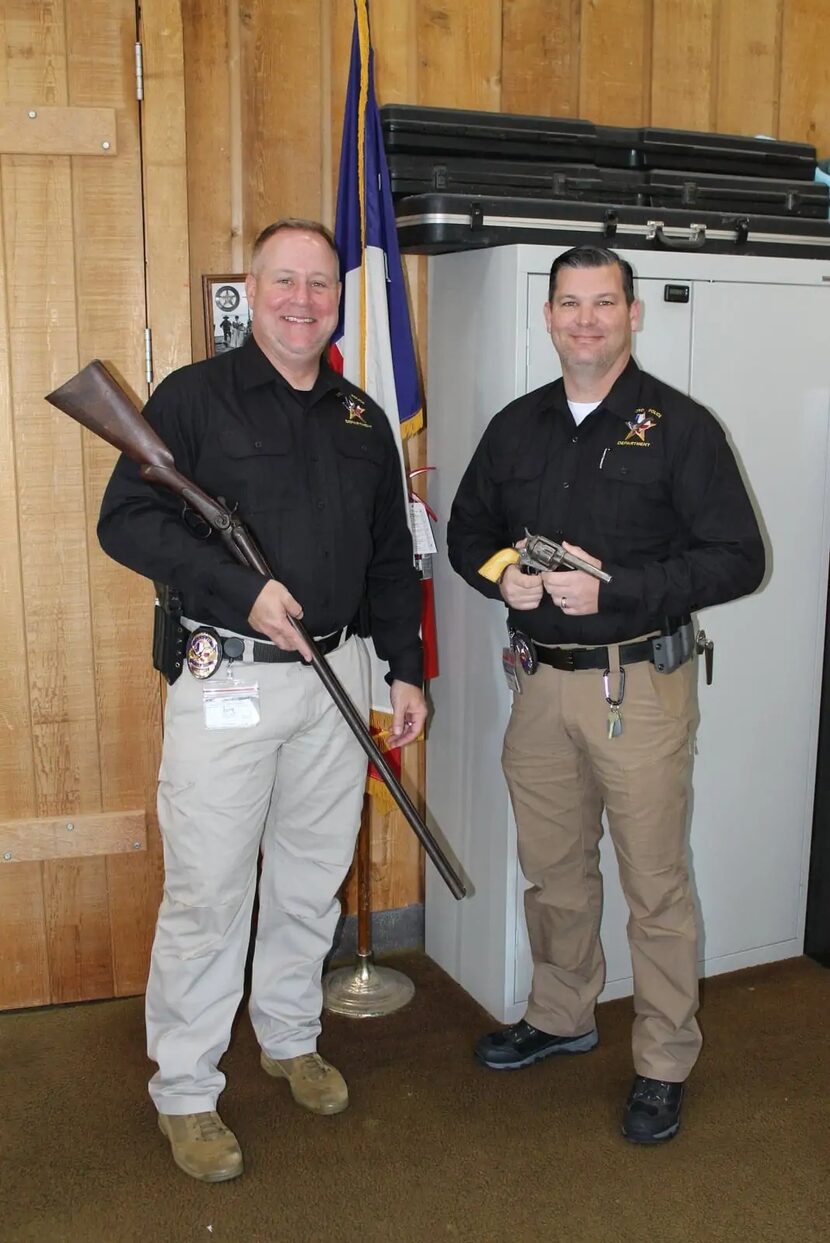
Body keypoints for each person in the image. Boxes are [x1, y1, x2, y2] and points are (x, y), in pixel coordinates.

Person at [98, 218, 426, 1181]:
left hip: (337, 678)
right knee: (207, 892)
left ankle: (288, 1034)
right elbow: (127, 522)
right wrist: (242, 588)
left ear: (336, 298)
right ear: (253, 286)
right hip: (229, 674)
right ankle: (188, 1090)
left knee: (308, 879)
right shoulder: (192, 399)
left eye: (320, 285)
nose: (303, 300)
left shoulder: (362, 416)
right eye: (285, 281)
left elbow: (388, 561)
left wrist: (404, 668)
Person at [446, 245, 764, 1145]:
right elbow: (469, 527)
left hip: (642, 687)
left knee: (655, 886)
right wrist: (503, 577)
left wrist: (617, 588)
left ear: (632, 315)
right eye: (570, 304)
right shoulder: (516, 427)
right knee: (553, 872)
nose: (586, 319)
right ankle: (561, 1012)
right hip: (540, 686)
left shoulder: (682, 427)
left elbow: (740, 557)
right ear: (547, 317)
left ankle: (664, 1058)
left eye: (604, 303)